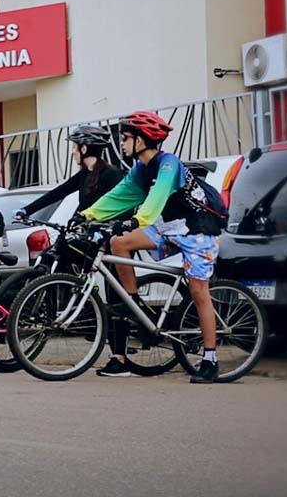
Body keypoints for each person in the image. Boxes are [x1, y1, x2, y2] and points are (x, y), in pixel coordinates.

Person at [82, 110, 222, 384]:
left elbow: (157, 196)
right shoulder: (140, 169)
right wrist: (88, 215)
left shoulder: (168, 164)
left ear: (143, 140)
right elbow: (120, 195)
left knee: (198, 292)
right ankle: (133, 303)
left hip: (198, 230)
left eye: (126, 138)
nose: (122, 143)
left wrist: (137, 220)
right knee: (118, 243)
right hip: (169, 227)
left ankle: (210, 358)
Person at [14, 125, 132, 377]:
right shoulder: (83, 175)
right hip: (92, 239)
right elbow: (56, 193)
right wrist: (27, 210)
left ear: (85, 148)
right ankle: (56, 293)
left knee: (116, 298)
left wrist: (111, 226)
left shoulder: (112, 175)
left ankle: (119, 358)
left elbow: (130, 202)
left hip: (112, 240)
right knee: (55, 252)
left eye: (74, 148)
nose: (72, 153)